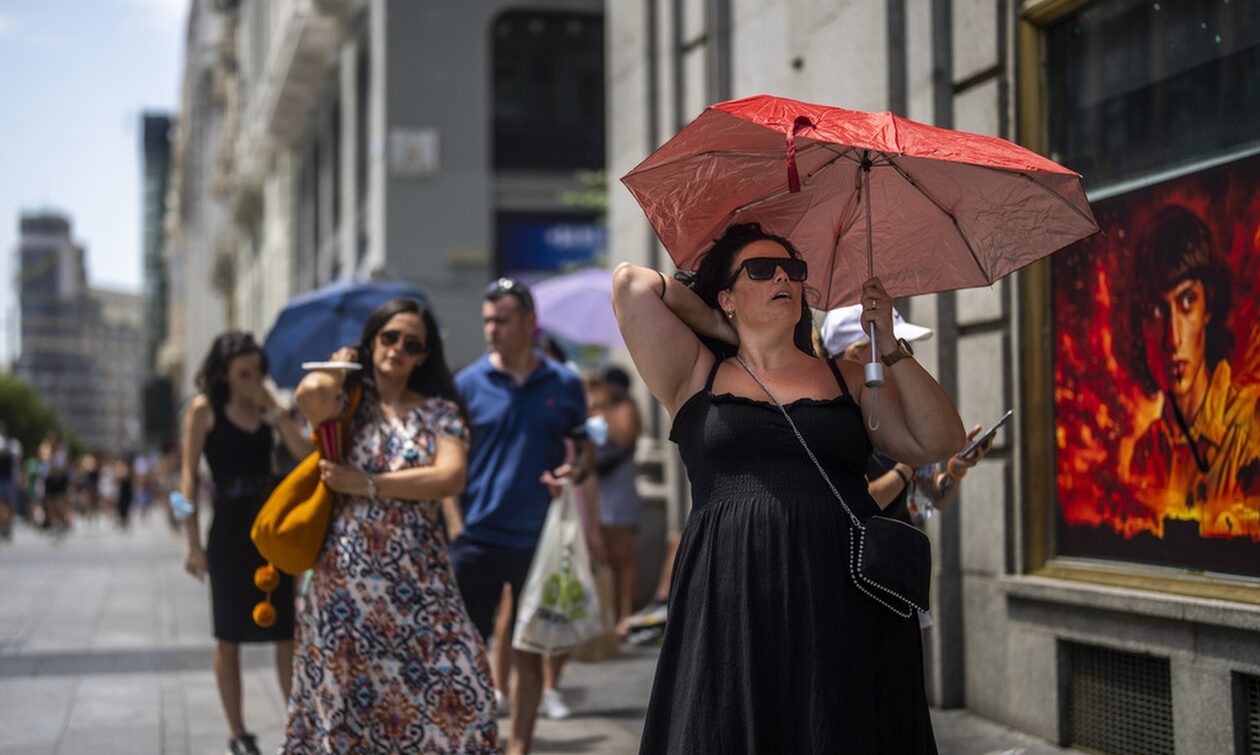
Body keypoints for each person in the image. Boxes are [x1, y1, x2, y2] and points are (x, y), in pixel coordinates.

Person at [612, 222, 966, 753]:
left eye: (793, 270)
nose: (783, 277)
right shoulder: (696, 375)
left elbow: (939, 441)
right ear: (727, 296)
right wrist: (717, 324)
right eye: (761, 270)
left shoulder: (848, 378)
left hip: (841, 594)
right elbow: (631, 284)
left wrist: (891, 349)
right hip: (732, 592)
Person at [283, 298, 499, 753]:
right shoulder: (347, 404)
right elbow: (308, 396)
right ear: (372, 342)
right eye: (389, 337)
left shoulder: (439, 411)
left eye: (412, 343)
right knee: (347, 706)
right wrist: (341, 365)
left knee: (464, 684)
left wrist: (366, 483)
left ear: (423, 356)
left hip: (419, 580)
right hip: (344, 584)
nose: (398, 348)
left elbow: (449, 476)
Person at [452, 277, 597, 754]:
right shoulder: (466, 385)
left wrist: (574, 472)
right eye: (487, 320)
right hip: (476, 537)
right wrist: (454, 526)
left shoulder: (565, 383)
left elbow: (584, 451)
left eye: (502, 320)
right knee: (466, 653)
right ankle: (474, 741)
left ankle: (519, 748)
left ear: (530, 322)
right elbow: (448, 459)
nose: (491, 330)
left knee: (529, 650)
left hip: (538, 538)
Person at [179, 331, 312, 755]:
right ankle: (238, 731)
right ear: (223, 374)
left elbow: (306, 454)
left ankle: (297, 726)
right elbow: (186, 479)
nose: (254, 379)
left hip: (269, 525)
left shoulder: (270, 406)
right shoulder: (205, 409)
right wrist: (191, 541)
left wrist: (277, 412)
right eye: (244, 373)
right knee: (229, 633)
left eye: (258, 370)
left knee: (285, 629)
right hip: (229, 528)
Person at [1122, 205, 1260, 537]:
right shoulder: (1145, 453)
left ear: (1208, 306)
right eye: (1158, 310)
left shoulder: (1250, 427)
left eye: (1187, 302)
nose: (1173, 338)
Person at [821, 304, 994, 524]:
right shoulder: (831, 420)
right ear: (855, 354)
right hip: (861, 545)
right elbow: (858, 502)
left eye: (902, 347)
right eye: (888, 346)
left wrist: (955, 470)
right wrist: (908, 467)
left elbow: (929, 498)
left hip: (898, 544)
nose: (899, 358)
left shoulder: (896, 410)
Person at [587, 366, 644, 637]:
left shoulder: (624, 409)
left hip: (620, 487)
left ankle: (625, 614)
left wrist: (606, 412)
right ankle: (608, 615)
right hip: (598, 488)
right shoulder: (592, 408)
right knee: (604, 556)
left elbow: (624, 438)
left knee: (624, 556)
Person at [38, 431, 71, 536]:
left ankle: (61, 522)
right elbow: (44, 462)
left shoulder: (62, 452)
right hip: (49, 479)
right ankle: (53, 526)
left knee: (59, 503)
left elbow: (63, 467)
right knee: (49, 504)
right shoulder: (45, 449)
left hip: (59, 480)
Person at [0, 422, 23, 541]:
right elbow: (17, 462)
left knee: (6, 503)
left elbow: (17, 462)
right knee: (7, 503)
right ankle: (6, 525)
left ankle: (5, 525)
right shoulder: (13, 444)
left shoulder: (13, 443)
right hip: (8, 477)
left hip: (7, 477)